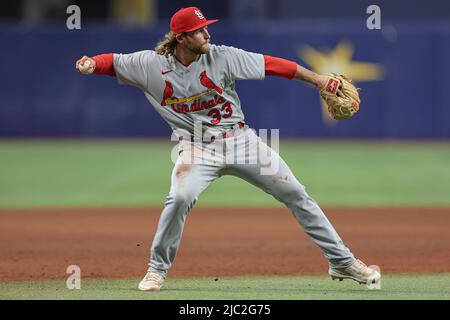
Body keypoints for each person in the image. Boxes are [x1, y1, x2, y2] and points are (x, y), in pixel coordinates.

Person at [76, 7, 380, 291]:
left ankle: (342, 262)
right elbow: (112, 62)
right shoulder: (151, 65)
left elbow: (273, 65)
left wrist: (317, 80)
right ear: (181, 38)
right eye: (198, 31)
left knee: (296, 193)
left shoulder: (223, 57)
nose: (207, 34)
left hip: (240, 140)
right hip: (196, 147)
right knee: (180, 196)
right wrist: (91, 64)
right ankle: (156, 268)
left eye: (206, 28)